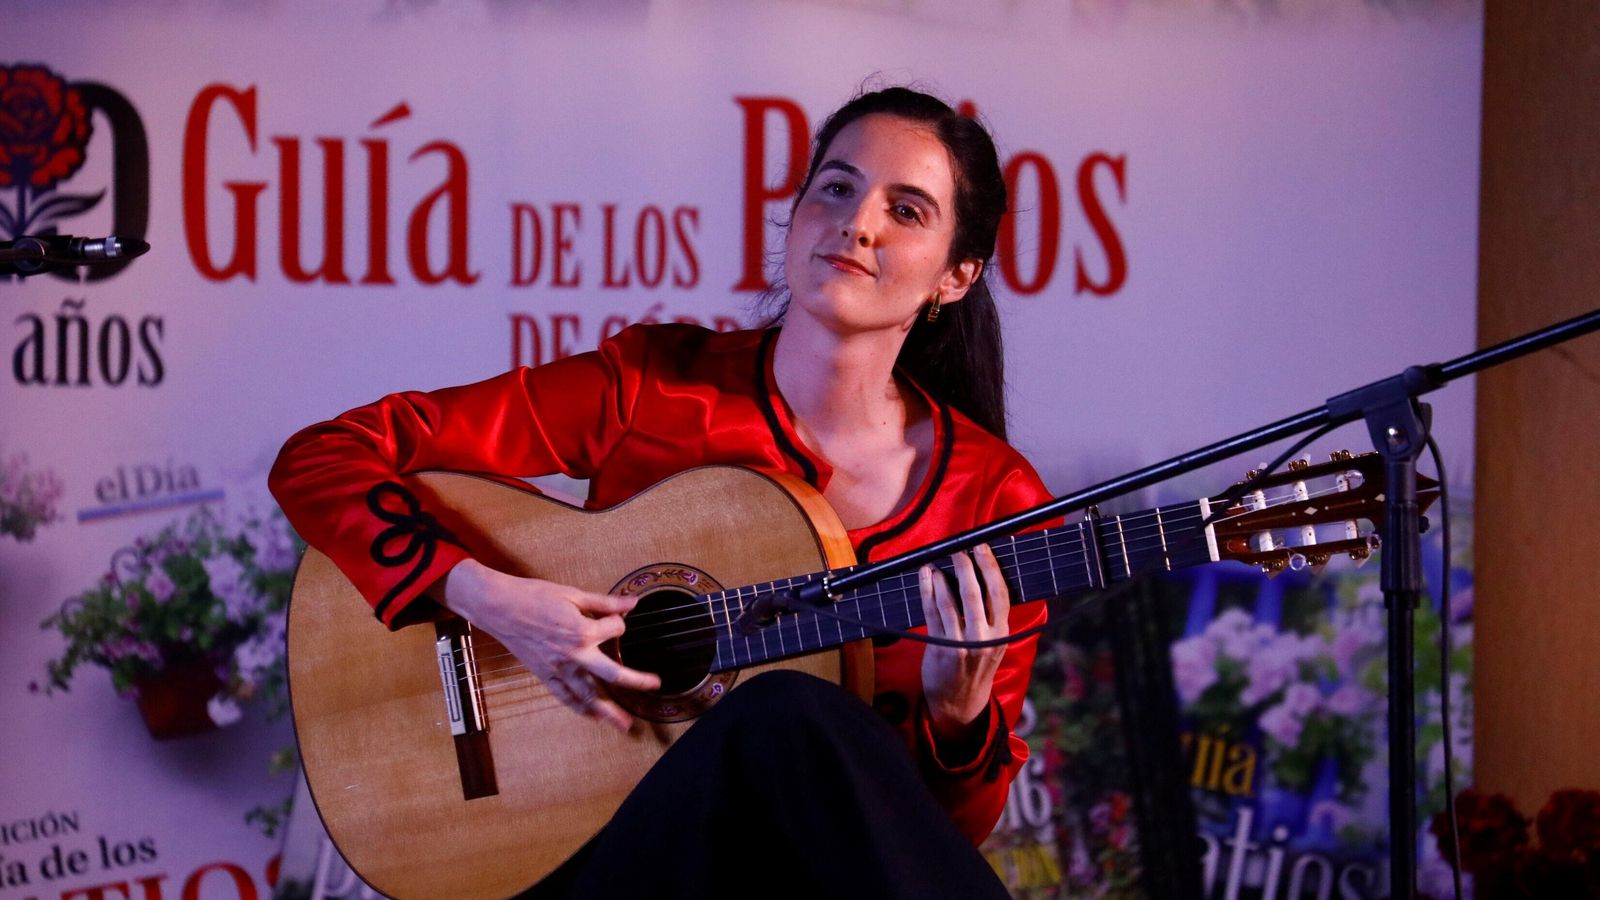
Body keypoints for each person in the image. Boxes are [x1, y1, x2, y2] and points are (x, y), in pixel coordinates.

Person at [270, 85, 1055, 898]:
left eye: (908, 210)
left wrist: (961, 723)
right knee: (784, 708)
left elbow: (922, 847)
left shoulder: (996, 500)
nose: (858, 223)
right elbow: (325, 456)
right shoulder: (656, 386)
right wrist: (488, 598)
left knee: (790, 722)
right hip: (578, 864)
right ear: (797, 209)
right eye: (837, 186)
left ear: (957, 276)